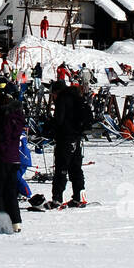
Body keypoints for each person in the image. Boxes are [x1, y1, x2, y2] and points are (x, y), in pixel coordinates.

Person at [0, 82, 26, 232]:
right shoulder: (16, 117)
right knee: (10, 191)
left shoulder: (4, 118)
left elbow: (4, 139)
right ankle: (15, 221)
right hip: (14, 157)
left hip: (3, 158)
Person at [49, 80, 85, 208]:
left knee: (61, 168)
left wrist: (50, 127)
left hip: (65, 138)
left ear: (56, 92)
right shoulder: (76, 97)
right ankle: (79, 197)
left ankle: (57, 198)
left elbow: (59, 120)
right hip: (76, 138)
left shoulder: (62, 99)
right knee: (76, 168)